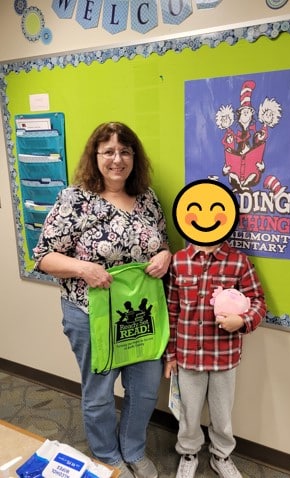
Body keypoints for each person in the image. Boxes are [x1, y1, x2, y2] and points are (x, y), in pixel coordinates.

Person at [33, 122, 172, 478]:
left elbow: (163, 245)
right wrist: (84, 268)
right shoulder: (74, 199)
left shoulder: (147, 198)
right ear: (95, 157)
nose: (117, 159)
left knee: (143, 389)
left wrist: (165, 257)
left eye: (125, 151)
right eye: (108, 151)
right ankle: (108, 456)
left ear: (134, 158)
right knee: (99, 391)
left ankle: (134, 449)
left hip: (141, 315)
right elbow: (44, 256)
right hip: (89, 313)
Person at [164, 241, 266, 478]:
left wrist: (242, 321)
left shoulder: (238, 261)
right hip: (188, 355)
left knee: (222, 412)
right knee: (189, 411)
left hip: (224, 357)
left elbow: (258, 300)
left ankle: (221, 455)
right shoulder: (179, 261)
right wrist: (170, 354)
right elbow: (171, 310)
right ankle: (188, 453)